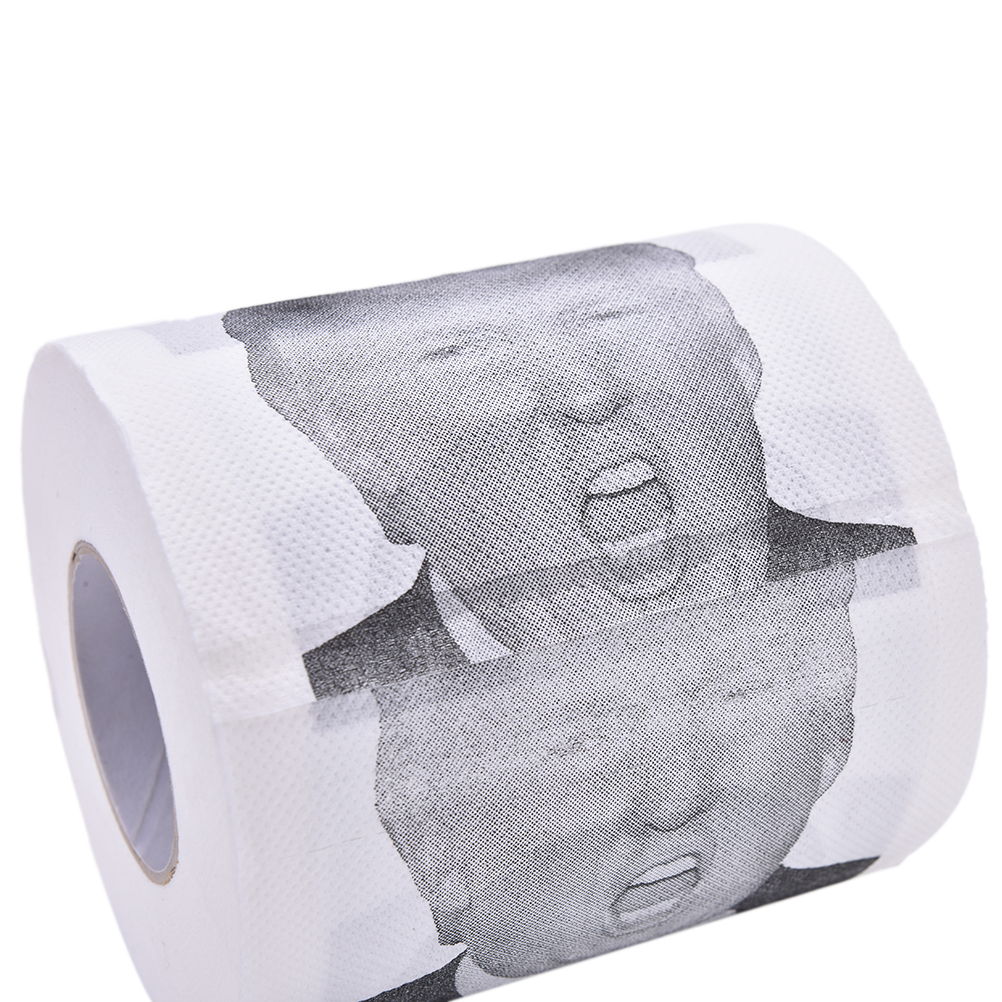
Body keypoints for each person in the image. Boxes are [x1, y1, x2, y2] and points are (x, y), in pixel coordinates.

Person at [223, 244, 914, 1001]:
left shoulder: (912, 575)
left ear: (737, 354)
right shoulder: (291, 706)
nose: (583, 395)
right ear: (359, 450)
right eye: (465, 355)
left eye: (611, 317)